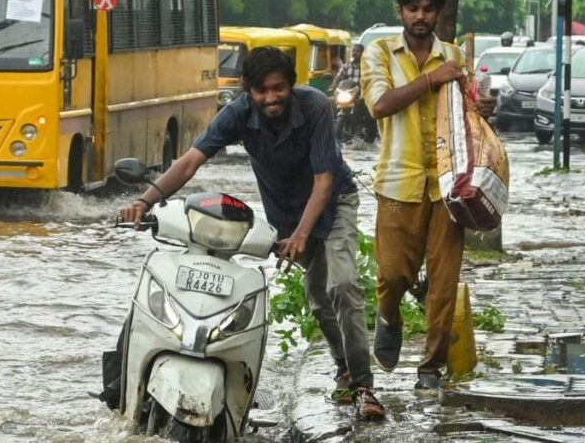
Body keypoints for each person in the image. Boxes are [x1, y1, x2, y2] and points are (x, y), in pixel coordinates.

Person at [114, 46, 386, 420]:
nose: (271, 97)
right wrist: (144, 203)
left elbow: (324, 180)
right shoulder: (237, 113)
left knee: (343, 286)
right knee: (320, 298)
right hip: (286, 216)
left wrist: (303, 234)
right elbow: (191, 161)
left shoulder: (315, 108)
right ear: (248, 91)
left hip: (334, 203)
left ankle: (364, 386)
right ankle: (344, 369)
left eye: (278, 88)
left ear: (291, 85)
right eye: (261, 90)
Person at [359, 0, 493, 391]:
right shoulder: (379, 53)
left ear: (437, 13)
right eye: (413, 8)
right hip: (398, 181)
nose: (421, 16)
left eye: (428, 9)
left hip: (450, 185)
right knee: (394, 273)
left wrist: (483, 105)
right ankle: (389, 315)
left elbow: (468, 111)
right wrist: (431, 80)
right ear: (400, 11)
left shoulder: (453, 54)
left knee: (443, 279)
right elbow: (380, 105)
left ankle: (430, 367)